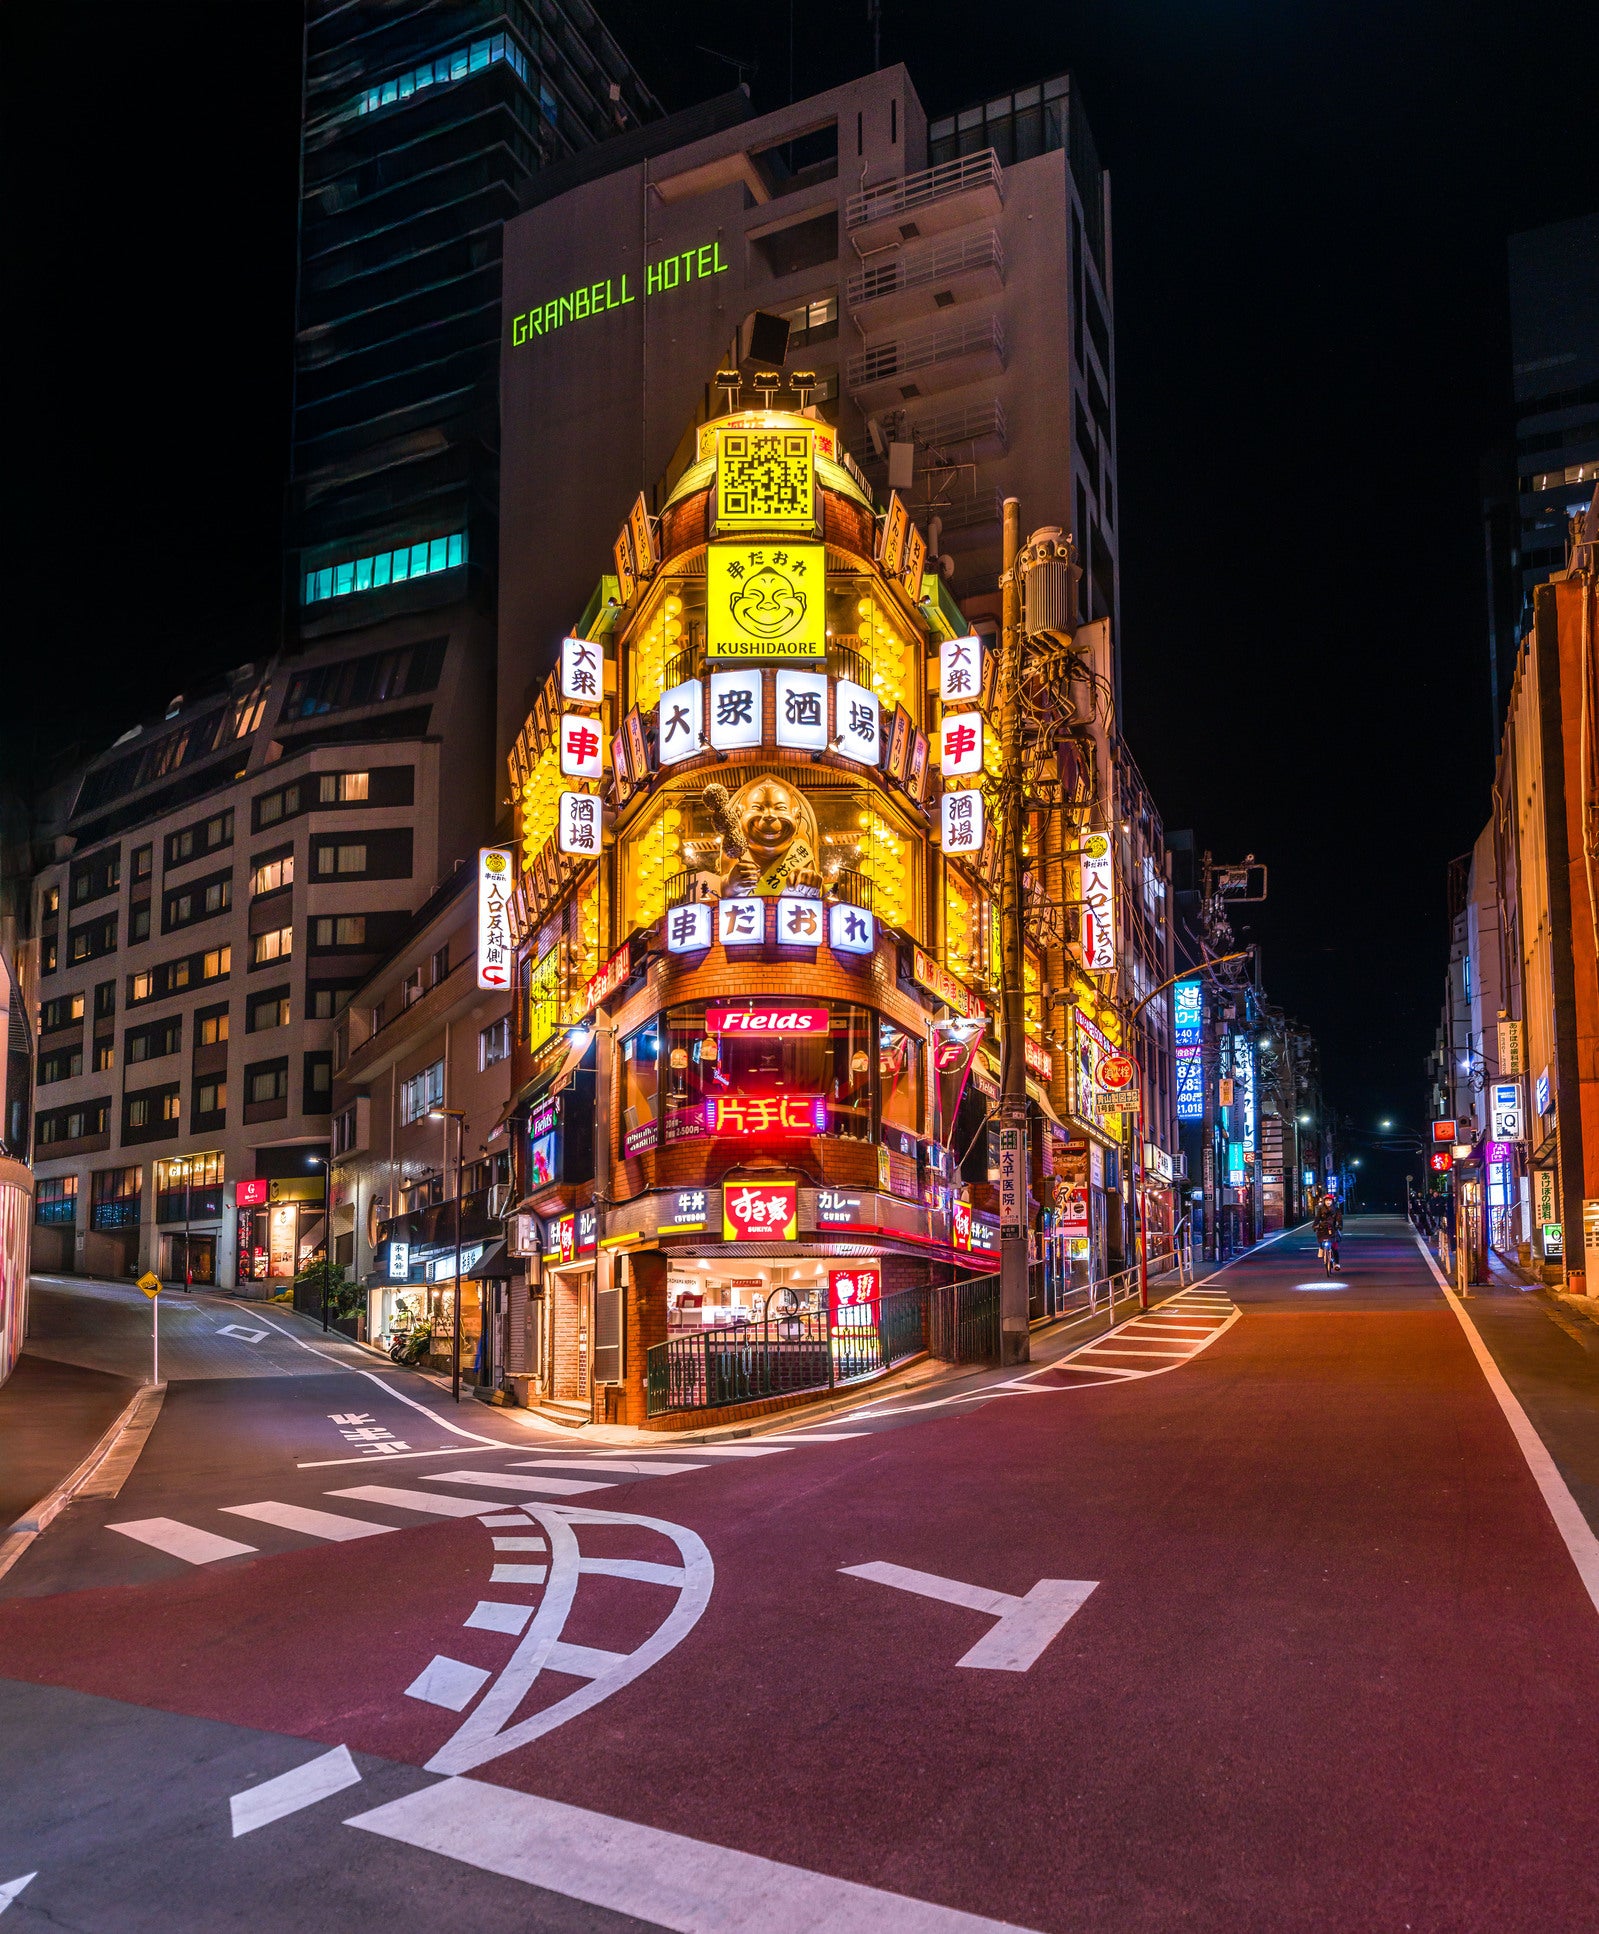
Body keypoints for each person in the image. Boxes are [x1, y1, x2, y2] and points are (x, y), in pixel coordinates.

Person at [1313, 1190, 1343, 1265]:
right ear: (1324, 1201)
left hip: (1333, 1228)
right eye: (1327, 1200)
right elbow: (1317, 1218)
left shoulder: (1336, 1209)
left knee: (1334, 1247)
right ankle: (1321, 1248)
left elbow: (1339, 1218)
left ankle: (1337, 1263)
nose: (1328, 1202)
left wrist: (1339, 1225)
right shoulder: (1321, 1209)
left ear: (1332, 1201)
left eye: (1330, 1200)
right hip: (1323, 1227)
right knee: (1320, 1237)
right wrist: (1314, 1225)